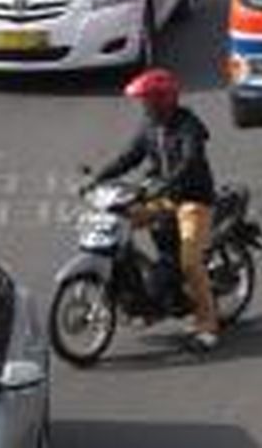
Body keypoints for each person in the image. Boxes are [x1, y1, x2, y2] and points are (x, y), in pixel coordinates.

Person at [94, 68, 220, 351]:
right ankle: (147, 290)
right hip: (162, 197)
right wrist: (99, 178)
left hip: (192, 200)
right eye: (144, 101)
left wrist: (166, 184)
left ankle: (207, 325)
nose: (145, 105)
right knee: (118, 223)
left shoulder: (189, 126)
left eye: (149, 100)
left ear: (165, 99)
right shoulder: (149, 126)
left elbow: (190, 162)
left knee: (190, 262)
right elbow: (129, 156)